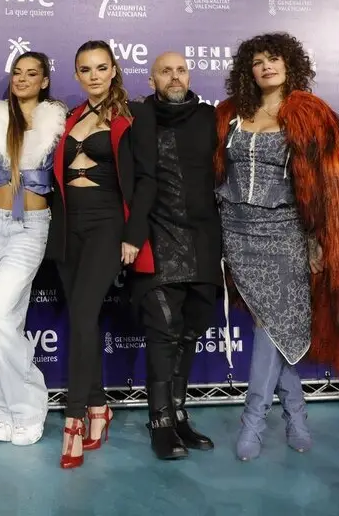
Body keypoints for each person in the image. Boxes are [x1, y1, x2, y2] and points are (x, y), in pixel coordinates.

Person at [214, 32, 339, 461]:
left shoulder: (310, 115)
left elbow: (333, 184)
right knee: (273, 329)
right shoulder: (230, 115)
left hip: (284, 232)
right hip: (236, 231)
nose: (266, 66)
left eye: (275, 59)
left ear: (291, 65)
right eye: (258, 61)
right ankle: (296, 415)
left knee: (272, 327)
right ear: (247, 70)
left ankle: (252, 422)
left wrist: (322, 239)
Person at [48, 40, 157, 469]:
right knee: (83, 319)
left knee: (82, 315)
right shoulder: (72, 116)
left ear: (113, 70)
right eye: (85, 69)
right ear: (77, 75)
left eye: (100, 68)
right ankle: (98, 406)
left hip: (108, 225)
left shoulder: (132, 116)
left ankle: (73, 420)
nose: (93, 75)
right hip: (69, 229)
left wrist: (133, 235)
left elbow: (146, 181)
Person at [130, 52, 223, 460]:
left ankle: (180, 415)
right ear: (152, 80)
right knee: (164, 333)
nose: (174, 77)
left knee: (190, 333)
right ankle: (160, 422)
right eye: (165, 71)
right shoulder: (137, 117)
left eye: (181, 70)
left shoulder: (209, 120)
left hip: (203, 239)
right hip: (157, 235)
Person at [0, 51, 66, 447]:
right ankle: (2, 407)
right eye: (17, 73)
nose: (23, 79)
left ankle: (29, 404)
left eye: (32, 74)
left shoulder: (56, 121)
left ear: (45, 80)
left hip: (30, 227)